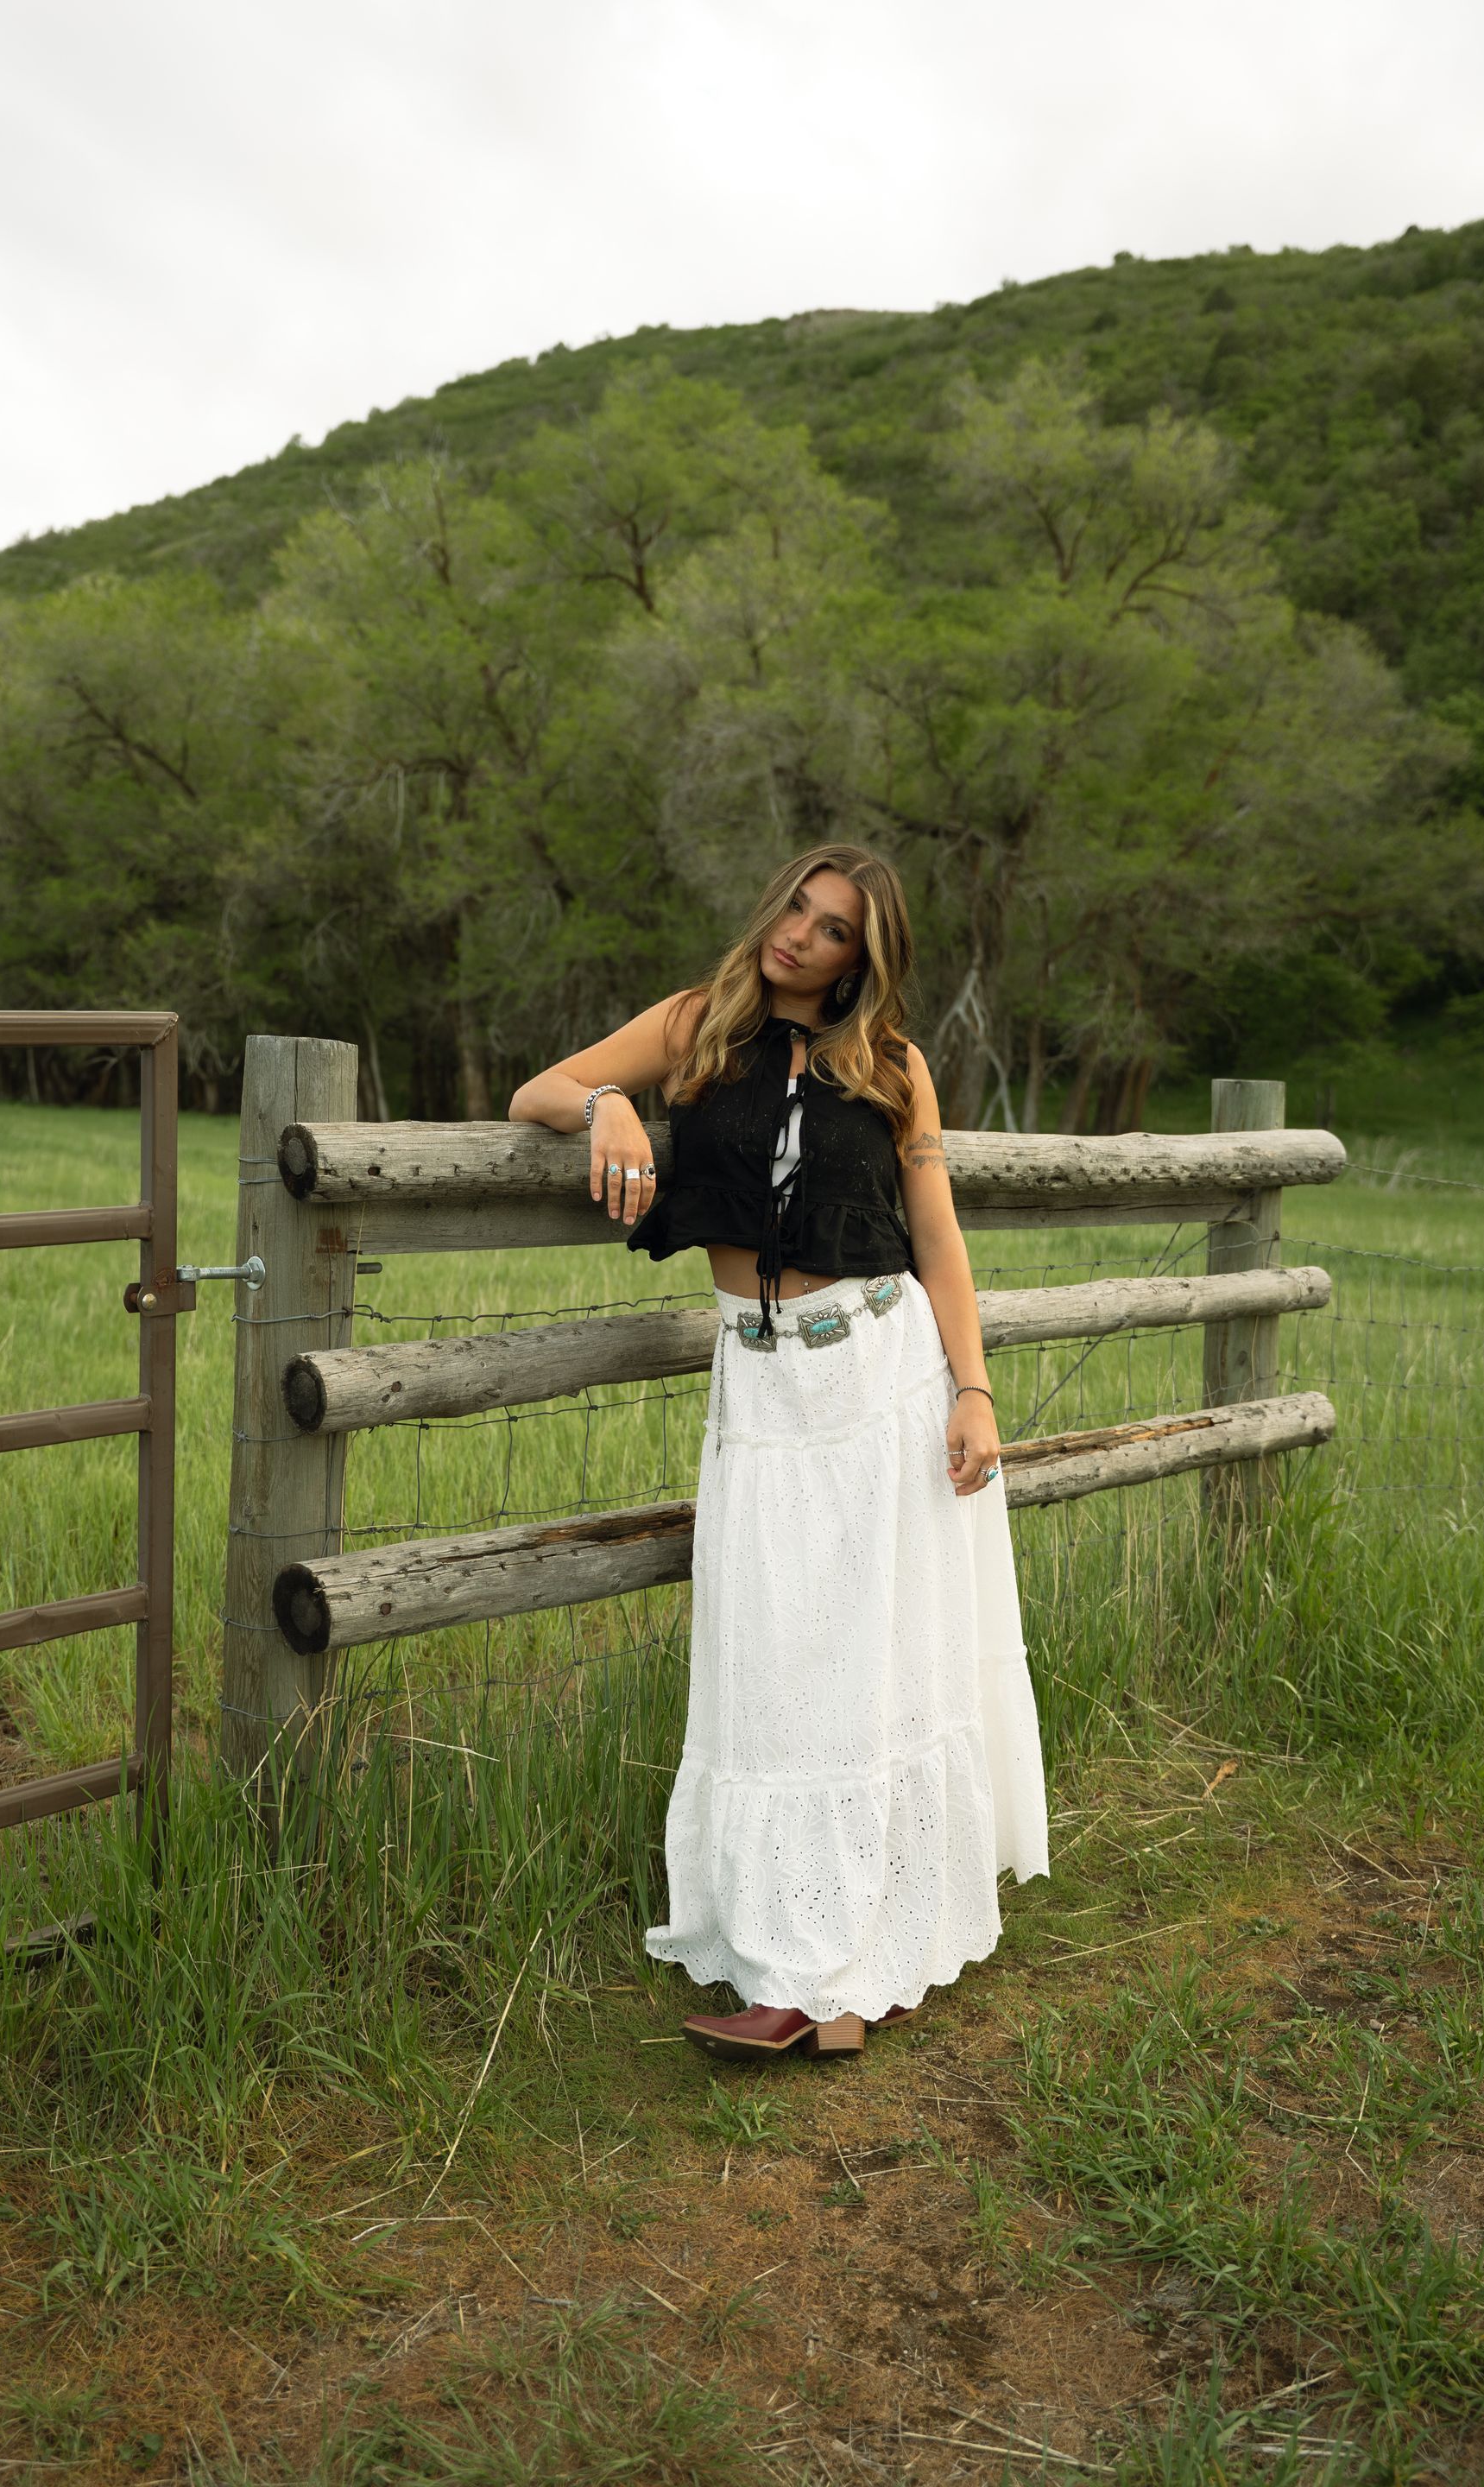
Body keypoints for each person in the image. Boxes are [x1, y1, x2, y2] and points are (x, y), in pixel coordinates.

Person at [507, 841, 1048, 2061]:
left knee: (867, 1666)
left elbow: (939, 1237)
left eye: (834, 928)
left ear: (867, 957)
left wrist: (972, 1390)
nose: (801, 936)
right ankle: (800, 1955)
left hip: (881, 1374)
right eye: (797, 910)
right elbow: (536, 1091)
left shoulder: (894, 1069)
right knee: (771, 1663)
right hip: (759, 1386)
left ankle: (836, 1977)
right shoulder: (696, 1027)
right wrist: (606, 1108)